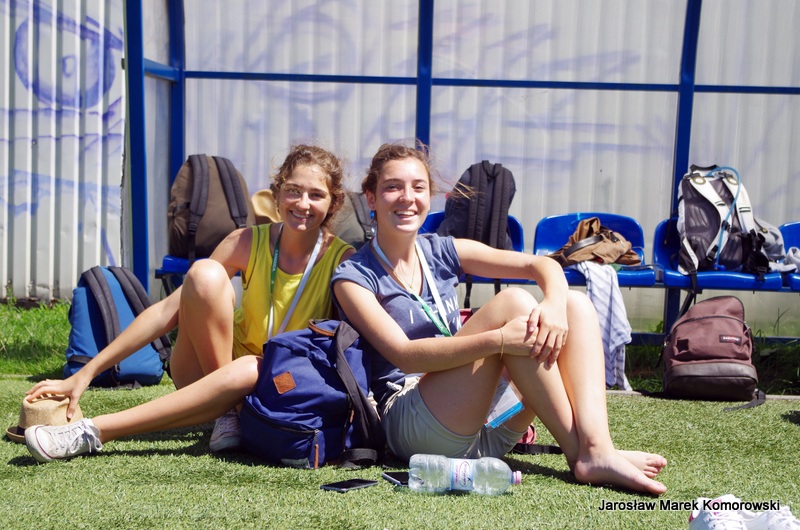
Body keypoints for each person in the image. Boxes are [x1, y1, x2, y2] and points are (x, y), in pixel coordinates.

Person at [330, 141, 668, 495]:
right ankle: (585, 454)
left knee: (575, 306)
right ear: (371, 198)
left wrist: (554, 305)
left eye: (418, 187)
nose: (407, 198)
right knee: (513, 303)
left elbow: (540, 265)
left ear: (430, 196)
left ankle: (596, 447)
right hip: (415, 426)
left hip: (486, 428)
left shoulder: (440, 249)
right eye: (392, 187)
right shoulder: (353, 276)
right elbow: (405, 355)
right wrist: (499, 341)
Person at [25, 144, 355, 454]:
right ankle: (228, 412)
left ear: (334, 202)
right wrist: (86, 372)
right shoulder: (246, 241)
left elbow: (346, 349)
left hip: (283, 382)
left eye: (316, 195)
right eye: (293, 191)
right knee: (204, 274)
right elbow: (166, 311)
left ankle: (93, 431)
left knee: (251, 368)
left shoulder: (341, 259)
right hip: (213, 368)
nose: (302, 203)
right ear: (277, 193)